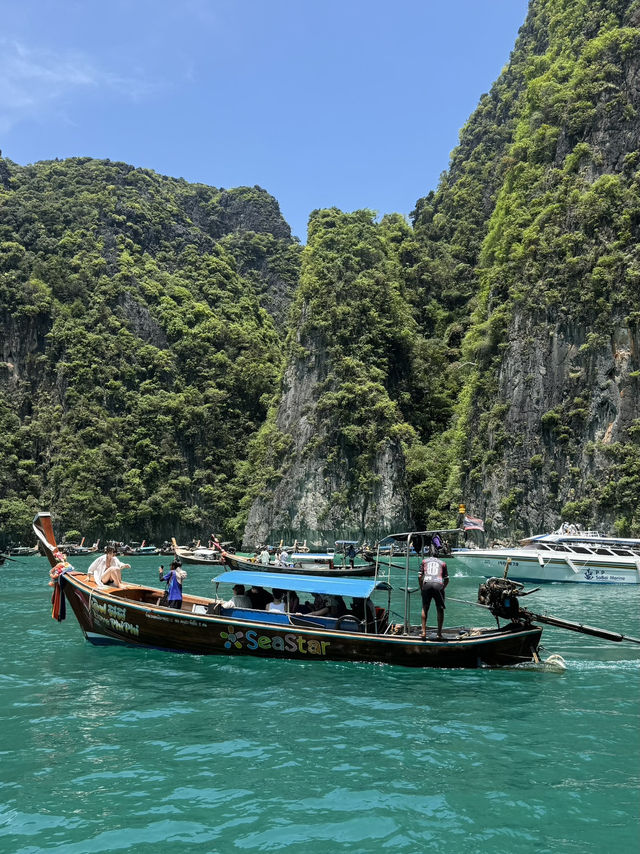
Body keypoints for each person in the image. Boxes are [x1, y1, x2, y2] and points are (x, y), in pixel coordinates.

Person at [418, 554, 449, 639]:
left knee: (425, 607)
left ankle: (423, 632)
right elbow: (446, 579)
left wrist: (421, 587)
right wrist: (442, 589)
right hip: (438, 585)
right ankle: (439, 634)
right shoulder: (443, 563)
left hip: (426, 585)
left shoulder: (424, 561)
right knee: (440, 609)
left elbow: (420, 576)